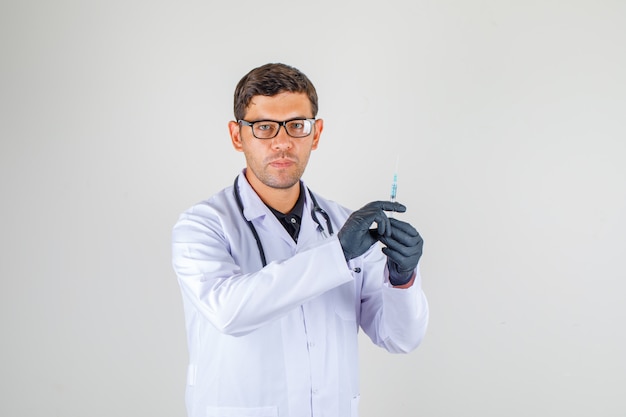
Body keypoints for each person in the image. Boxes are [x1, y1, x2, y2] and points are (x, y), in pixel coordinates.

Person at [171, 63, 429, 417]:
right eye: (264, 127)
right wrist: (336, 254)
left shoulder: (342, 223)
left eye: (297, 126)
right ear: (236, 135)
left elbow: (400, 338)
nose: (282, 142)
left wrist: (403, 280)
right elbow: (228, 313)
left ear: (316, 133)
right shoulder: (202, 226)